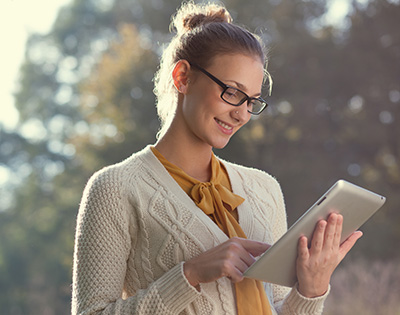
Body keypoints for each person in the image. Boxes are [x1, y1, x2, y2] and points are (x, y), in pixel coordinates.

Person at [71, 2, 362, 314]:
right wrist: (189, 275)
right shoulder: (114, 188)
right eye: (233, 92)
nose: (241, 114)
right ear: (183, 77)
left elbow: (276, 306)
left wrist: (311, 289)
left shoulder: (265, 190)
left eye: (251, 101)